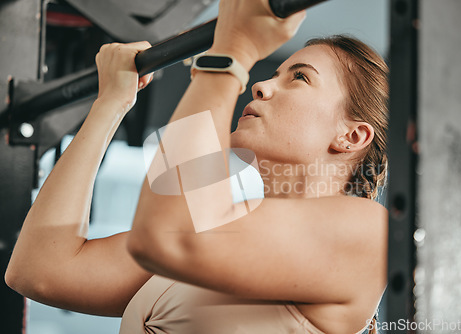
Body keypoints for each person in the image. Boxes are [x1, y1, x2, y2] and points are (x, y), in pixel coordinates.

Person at [5, 0, 388, 333]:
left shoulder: (368, 232)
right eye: (272, 73)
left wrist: (232, 54)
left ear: (352, 137)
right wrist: (110, 105)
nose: (260, 87)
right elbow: (39, 269)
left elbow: (165, 235)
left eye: (300, 77)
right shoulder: (221, 223)